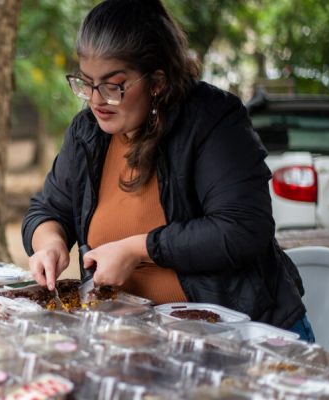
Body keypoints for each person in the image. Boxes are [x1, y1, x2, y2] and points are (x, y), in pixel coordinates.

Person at [22, 0, 313, 339]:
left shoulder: (213, 120)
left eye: (114, 86)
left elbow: (242, 229)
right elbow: (47, 208)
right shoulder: (86, 131)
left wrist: (138, 249)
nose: (96, 100)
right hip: (136, 340)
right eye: (86, 82)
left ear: (157, 81)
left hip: (240, 338)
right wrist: (49, 243)